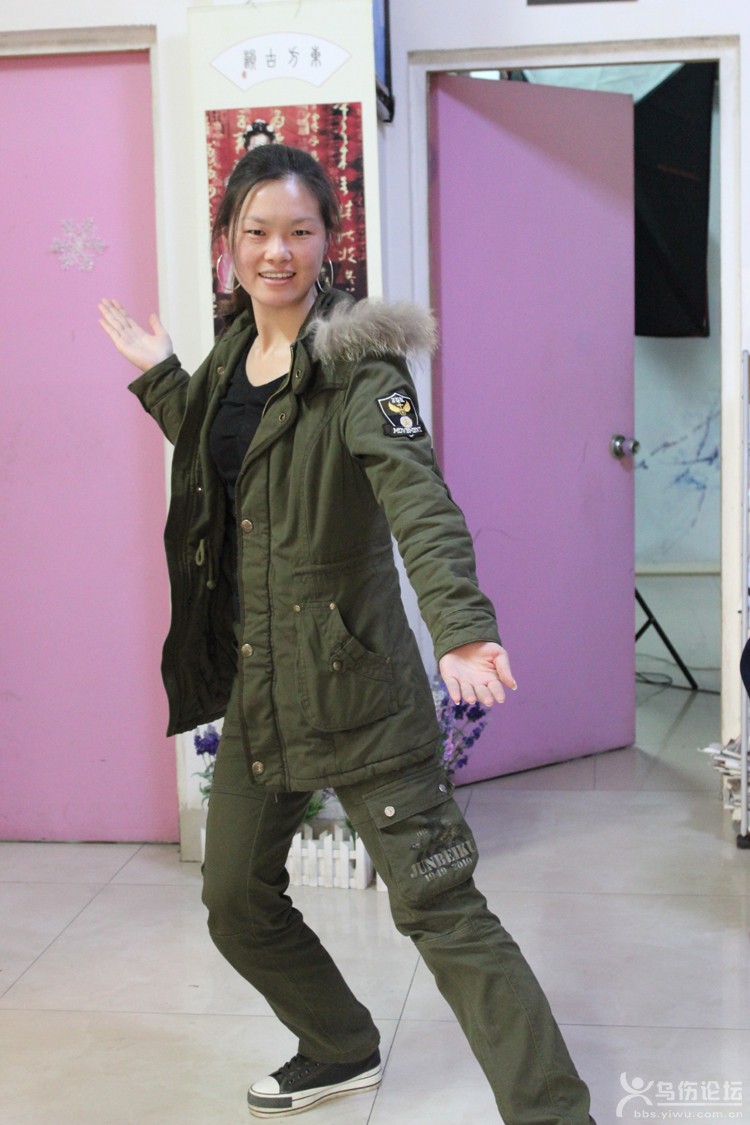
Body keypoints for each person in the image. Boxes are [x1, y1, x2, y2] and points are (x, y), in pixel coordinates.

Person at [98, 143, 596, 1124]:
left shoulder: (362, 368)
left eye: (298, 230)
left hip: (360, 691)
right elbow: (232, 460)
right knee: (236, 899)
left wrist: (461, 628)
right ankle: (337, 1045)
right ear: (228, 241)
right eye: (256, 231)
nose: (275, 251)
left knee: (441, 910)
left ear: (331, 239)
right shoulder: (230, 356)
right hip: (262, 690)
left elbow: (420, 501)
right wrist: (162, 377)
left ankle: (553, 1112)